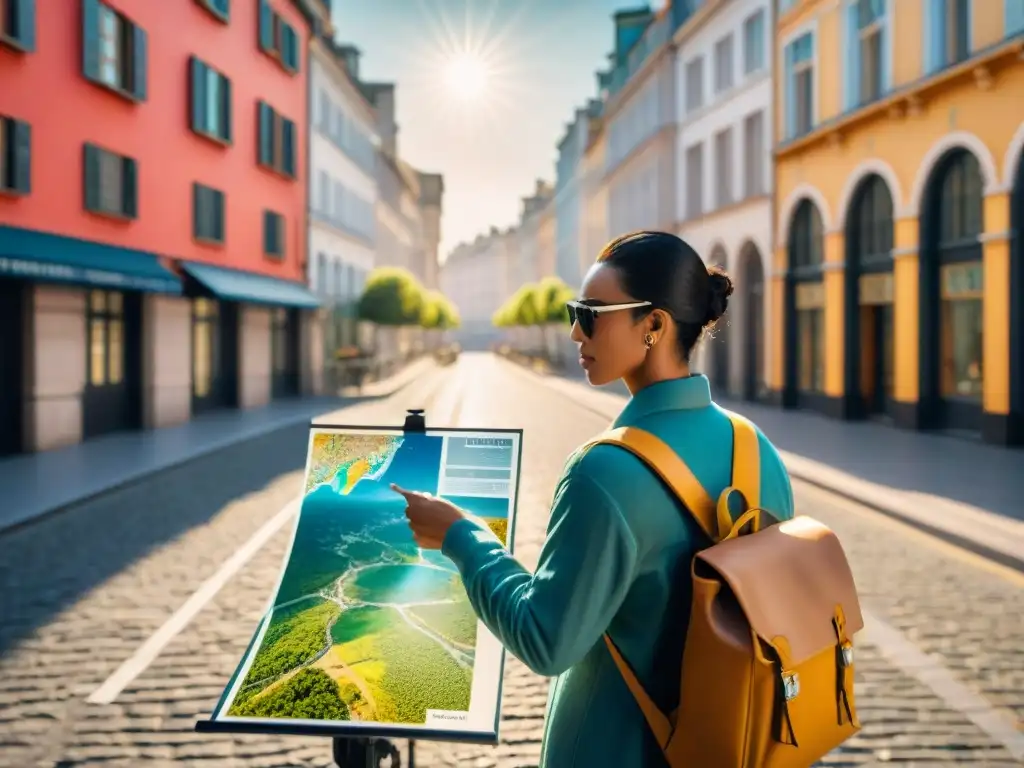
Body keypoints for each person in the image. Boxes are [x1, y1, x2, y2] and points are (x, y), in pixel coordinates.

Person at [391, 231, 795, 768]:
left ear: (653, 324)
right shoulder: (757, 449)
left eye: (593, 314)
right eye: (573, 311)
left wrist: (460, 537)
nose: (575, 331)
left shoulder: (604, 470)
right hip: (732, 747)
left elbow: (545, 639)